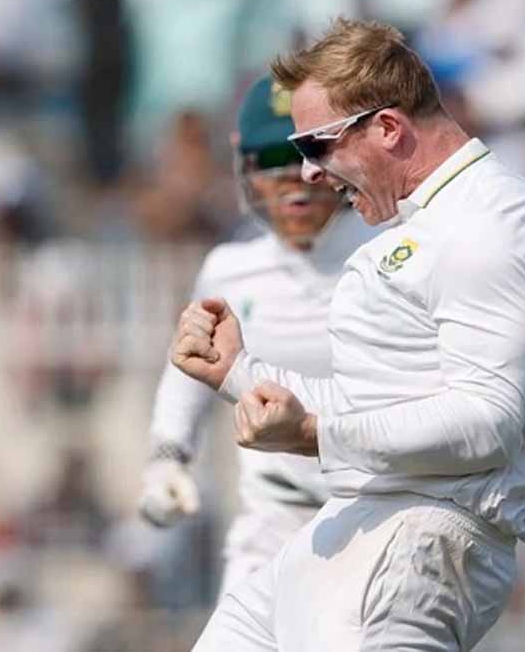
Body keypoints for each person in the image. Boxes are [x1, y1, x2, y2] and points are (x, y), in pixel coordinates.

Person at [170, 17, 525, 651]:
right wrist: (239, 372)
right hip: (353, 526)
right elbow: (378, 405)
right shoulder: (436, 220)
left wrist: (314, 432)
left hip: (420, 543)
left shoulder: (486, 225)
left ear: (388, 128)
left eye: (315, 145)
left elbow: (487, 423)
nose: (308, 173)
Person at [137, 75, 375, 594]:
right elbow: (189, 370)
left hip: (381, 515)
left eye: (308, 153)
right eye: (273, 159)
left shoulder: (390, 251)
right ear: (245, 168)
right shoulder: (229, 269)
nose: (295, 177)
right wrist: (167, 456)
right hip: (273, 519)